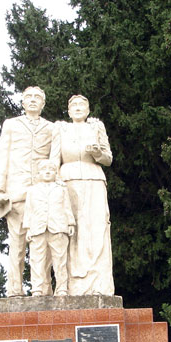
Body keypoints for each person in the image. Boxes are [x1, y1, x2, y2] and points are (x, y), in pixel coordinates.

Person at [50, 95, 115, 296]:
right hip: (67, 181)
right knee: (72, 230)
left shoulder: (96, 127)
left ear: (88, 110)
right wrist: (53, 183)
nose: (78, 108)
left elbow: (108, 158)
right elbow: (53, 160)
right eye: (74, 105)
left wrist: (97, 153)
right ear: (68, 111)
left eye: (82, 105)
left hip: (94, 179)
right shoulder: (60, 129)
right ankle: (69, 285)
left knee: (96, 230)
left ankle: (99, 284)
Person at [0, 86, 53, 297]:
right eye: (29, 97)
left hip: (42, 193)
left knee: (43, 243)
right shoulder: (11, 125)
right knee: (17, 243)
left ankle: (43, 289)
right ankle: (14, 289)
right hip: (16, 192)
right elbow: (3, 156)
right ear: (23, 102)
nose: (33, 100)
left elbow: (55, 160)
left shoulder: (51, 128)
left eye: (38, 97)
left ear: (43, 103)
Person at [22, 161, 75, 296]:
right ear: (39, 173)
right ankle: (37, 288)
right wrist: (27, 228)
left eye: (50, 169)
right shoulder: (32, 190)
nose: (47, 172)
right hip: (37, 228)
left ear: (55, 173)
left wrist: (70, 223)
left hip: (58, 227)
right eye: (44, 169)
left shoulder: (61, 189)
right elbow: (28, 210)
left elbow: (67, 206)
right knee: (36, 260)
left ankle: (62, 288)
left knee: (60, 259)